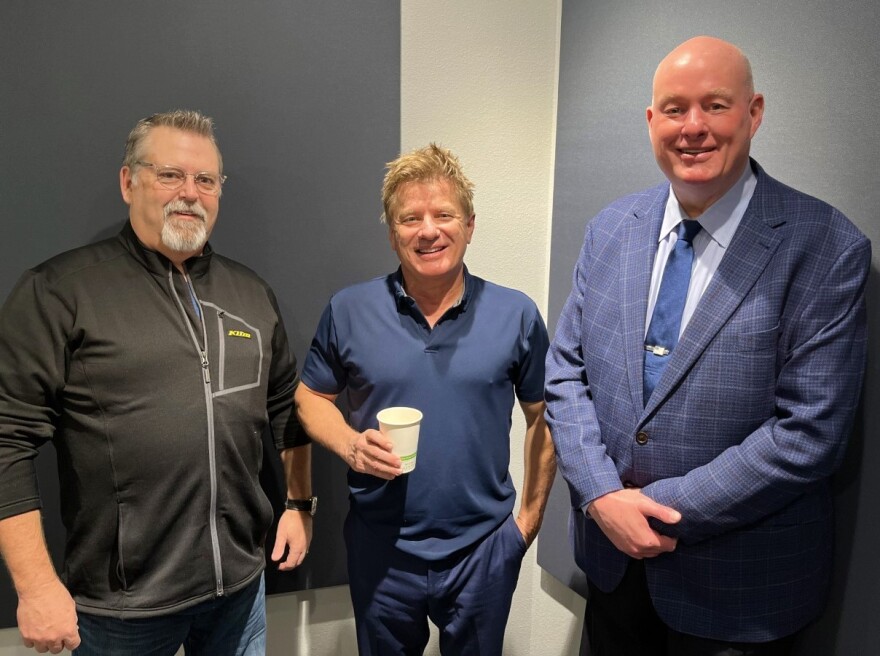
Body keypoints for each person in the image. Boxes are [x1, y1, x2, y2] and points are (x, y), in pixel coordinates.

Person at [545, 36, 871, 656]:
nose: (692, 127)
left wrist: (649, 508)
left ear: (754, 113)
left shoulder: (826, 245)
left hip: (742, 593)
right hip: (611, 573)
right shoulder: (611, 228)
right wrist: (602, 496)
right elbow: (566, 374)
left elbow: (808, 434)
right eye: (674, 109)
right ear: (650, 121)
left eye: (715, 106)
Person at [0, 110, 313, 655]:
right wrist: (35, 585)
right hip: (123, 609)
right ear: (128, 182)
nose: (189, 193)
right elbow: (7, 440)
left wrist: (300, 505)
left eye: (205, 180)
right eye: (169, 174)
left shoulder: (250, 293)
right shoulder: (59, 292)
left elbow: (287, 407)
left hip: (240, 591)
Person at [295, 143, 556, 655]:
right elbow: (309, 398)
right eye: (410, 218)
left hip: (483, 548)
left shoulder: (516, 314)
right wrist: (349, 445)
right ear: (393, 234)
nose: (428, 230)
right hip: (381, 550)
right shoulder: (349, 309)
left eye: (444, 214)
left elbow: (544, 415)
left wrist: (525, 525)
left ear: (470, 225)